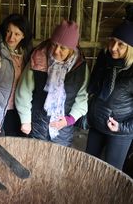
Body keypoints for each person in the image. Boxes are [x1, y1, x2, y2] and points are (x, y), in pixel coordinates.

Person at [15, 20, 88, 147]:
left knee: (58, 163)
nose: (55, 51)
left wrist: (70, 119)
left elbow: (82, 97)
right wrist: (25, 120)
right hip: (37, 123)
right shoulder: (38, 59)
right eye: (54, 45)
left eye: (63, 48)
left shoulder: (80, 67)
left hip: (63, 128)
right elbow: (24, 91)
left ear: (71, 49)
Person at [86, 20, 133, 170]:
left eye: (121, 44)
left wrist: (122, 127)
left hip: (119, 132)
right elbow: (93, 88)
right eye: (112, 41)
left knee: (112, 173)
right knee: (88, 167)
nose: (113, 48)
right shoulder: (104, 59)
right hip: (97, 124)